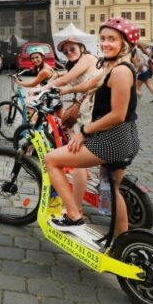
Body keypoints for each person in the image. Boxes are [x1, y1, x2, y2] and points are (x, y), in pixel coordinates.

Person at [44, 17, 141, 234]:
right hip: (124, 138)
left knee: (51, 160)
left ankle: (74, 216)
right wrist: (65, 91)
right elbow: (92, 83)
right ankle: (121, 241)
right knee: (110, 190)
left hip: (113, 139)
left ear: (124, 44)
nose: (105, 43)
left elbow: (117, 115)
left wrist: (83, 132)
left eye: (112, 39)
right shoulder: (112, 67)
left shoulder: (121, 71)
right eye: (103, 38)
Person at [44, 37, 102, 216]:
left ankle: (75, 209)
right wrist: (55, 77)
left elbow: (68, 79)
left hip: (92, 113)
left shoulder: (87, 58)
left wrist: (41, 89)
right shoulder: (76, 64)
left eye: (72, 48)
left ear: (81, 47)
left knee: (76, 161)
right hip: (88, 112)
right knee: (81, 154)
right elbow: (68, 77)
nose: (69, 52)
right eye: (65, 51)